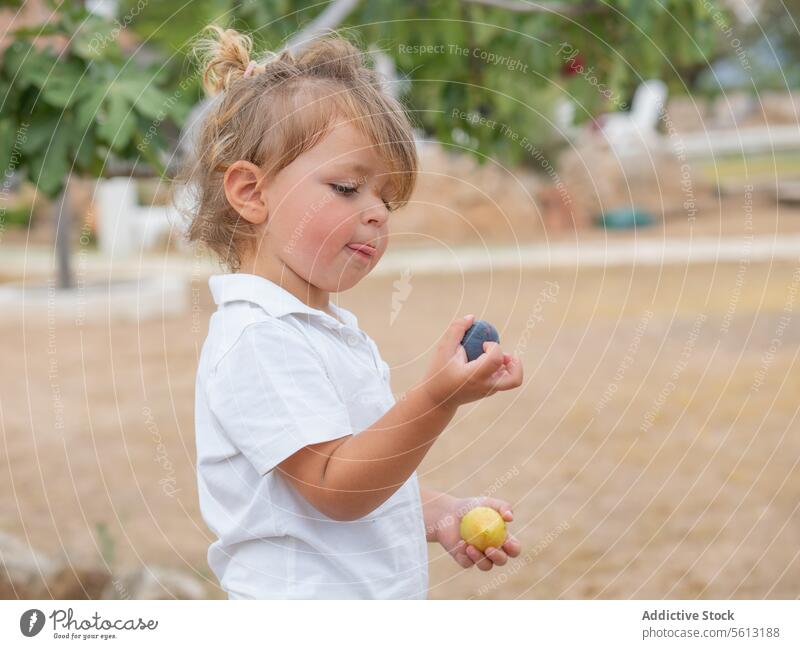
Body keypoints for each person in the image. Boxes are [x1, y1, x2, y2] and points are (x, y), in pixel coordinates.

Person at [180, 25, 524, 599]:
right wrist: (437, 399)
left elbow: (361, 469)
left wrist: (439, 512)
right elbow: (334, 488)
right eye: (346, 187)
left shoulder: (325, 331)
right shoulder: (260, 339)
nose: (377, 214)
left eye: (385, 198)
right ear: (251, 193)